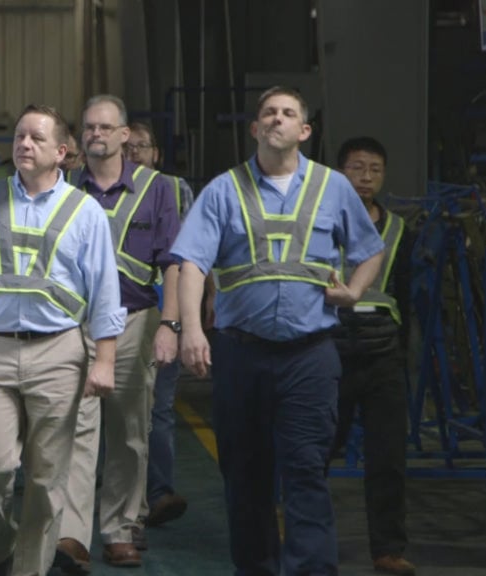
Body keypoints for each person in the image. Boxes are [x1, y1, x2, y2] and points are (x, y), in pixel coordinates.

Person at [172, 86, 385, 575]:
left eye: (288, 113)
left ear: (304, 130)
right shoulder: (224, 190)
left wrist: (354, 291)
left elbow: (369, 249)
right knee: (245, 474)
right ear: (254, 128)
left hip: (309, 356)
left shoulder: (333, 187)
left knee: (306, 470)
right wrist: (191, 330)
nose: (277, 119)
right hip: (240, 353)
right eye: (268, 112)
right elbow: (192, 263)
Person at [0, 104, 125, 576]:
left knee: (47, 477)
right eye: (20, 135)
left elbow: (105, 291)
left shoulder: (85, 212)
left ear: (62, 152)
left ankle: (29, 569)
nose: (24, 144)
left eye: (37, 138)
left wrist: (104, 361)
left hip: (59, 353)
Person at [56, 95, 180, 572]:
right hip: (76, 324)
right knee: (77, 430)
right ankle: (73, 535)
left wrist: (170, 325)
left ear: (125, 135)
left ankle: (121, 528)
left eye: (106, 127)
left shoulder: (157, 189)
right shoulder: (64, 187)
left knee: (130, 431)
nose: (96, 134)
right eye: (89, 127)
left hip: (135, 321)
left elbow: (173, 263)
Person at [330, 137, 415, 576]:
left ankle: (388, 550)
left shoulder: (399, 230)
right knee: (319, 450)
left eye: (374, 169)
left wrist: (402, 353)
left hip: (383, 357)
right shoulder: (321, 223)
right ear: (340, 173)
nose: (366, 177)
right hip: (332, 352)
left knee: (388, 458)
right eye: (357, 168)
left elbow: (405, 297)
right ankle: (304, 539)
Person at [122, 120, 196, 549]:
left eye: (142, 146)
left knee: (159, 407)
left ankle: (158, 492)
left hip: (166, 315)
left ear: (157, 154)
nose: (134, 153)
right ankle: (123, 494)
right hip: (121, 316)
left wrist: (192, 311)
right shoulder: (106, 189)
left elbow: (192, 253)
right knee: (120, 410)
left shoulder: (175, 189)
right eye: (128, 146)